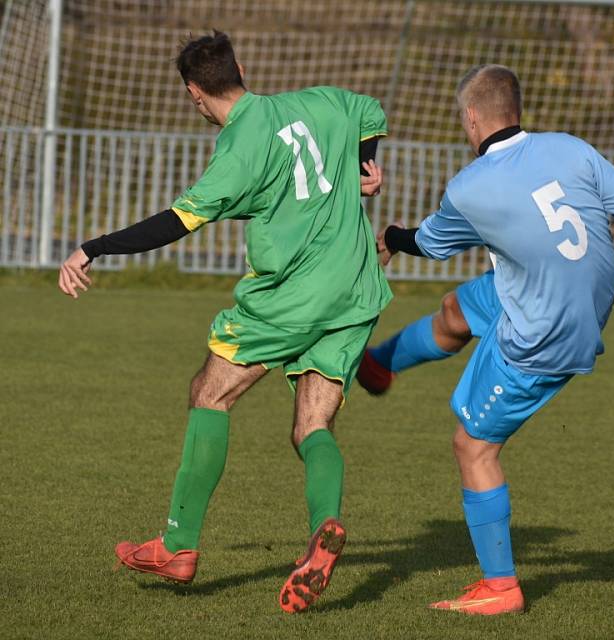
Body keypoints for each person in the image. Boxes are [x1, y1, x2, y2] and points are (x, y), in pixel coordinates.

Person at [358, 64, 614, 615]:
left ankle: (500, 588)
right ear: (518, 110)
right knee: (457, 310)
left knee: (472, 446)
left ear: (471, 117)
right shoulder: (569, 148)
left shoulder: (470, 185)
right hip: (573, 296)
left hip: (547, 331)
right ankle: (382, 364)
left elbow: (431, 243)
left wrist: (390, 236)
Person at [57, 31, 391, 614]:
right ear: (240, 67)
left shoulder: (239, 150)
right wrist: (365, 160)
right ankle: (324, 527)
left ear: (194, 93)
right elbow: (369, 112)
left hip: (291, 296)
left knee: (208, 394)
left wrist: (95, 246)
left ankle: (178, 545)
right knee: (312, 425)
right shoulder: (318, 101)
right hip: (357, 287)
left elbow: (174, 223)